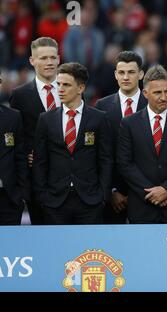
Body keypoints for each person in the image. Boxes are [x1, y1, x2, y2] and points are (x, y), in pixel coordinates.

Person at [33, 62, 113, 224]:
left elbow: (106, 159)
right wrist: (43, 195)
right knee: (56, 248)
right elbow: (40, 161)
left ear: (81, 88)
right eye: (59, 84)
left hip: (90, 200)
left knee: (89, 249)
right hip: (54, 201)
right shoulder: (46, 119)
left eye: (66, 85)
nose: (60, 89)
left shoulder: (99, 118)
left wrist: (102, 195)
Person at [117, 65, 167, 223]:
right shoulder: (129, 123)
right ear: (145, 93)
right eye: (158, 92)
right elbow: (125, 164)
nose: (164, 97)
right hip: (142, 206)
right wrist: (153, 194)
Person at [9, 37, 61, 225]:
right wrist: (28, 155)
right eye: (43, 58)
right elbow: (17, 135)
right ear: (32, 61)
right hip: (37, 180)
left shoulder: (70, 90)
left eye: (52, 57)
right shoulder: (20, 95)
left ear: (58, 59)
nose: (49, 62)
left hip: (69, 178)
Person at [95, 51, 147, 224]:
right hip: (113, 194)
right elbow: (101, 154)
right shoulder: (102, 106)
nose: (126, 77)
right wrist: (111, 190)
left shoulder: (153, 104)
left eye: (131, 72)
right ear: (115, 74)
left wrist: (142, 191)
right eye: (122, 72)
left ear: (141, 74)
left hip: (147, 193)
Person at [0, 71, 28, 225]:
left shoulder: (13, 117)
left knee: (10, 247)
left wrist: (22, 194)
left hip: (9, 198)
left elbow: (20, 157)